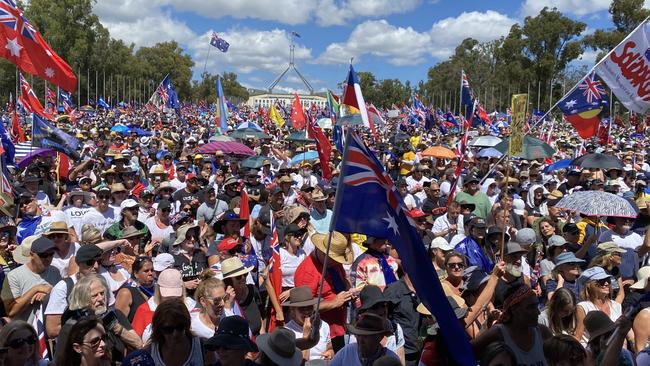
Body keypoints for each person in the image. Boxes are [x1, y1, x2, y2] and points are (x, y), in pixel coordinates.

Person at [295, 231, 355, 352]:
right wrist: (334, 302)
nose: (338, 262)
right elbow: (303, 308)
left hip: (338, 329)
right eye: (335, 258)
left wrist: (349, 290)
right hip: (320, 336)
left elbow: (342, 280)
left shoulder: (332, 263)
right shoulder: (307, 272)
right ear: (323, 252)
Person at [472, 284, 552, 365]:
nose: (538, 312)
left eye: (536, 306)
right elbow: (467, 353)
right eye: (530, 307)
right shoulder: (498, 334)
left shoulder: (543, 332)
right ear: (514, 309)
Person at [1, 235, 61, 321]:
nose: (48, 258)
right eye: (43, 255)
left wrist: (48, 295)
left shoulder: (55, 272)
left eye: (51, 254)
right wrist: (35, 289)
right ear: (32, 255)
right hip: (25, 332)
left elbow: (62, 298)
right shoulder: (13, 276)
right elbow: (11, 311)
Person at [574, 266, 623, 346]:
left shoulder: (616, 306)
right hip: (591, 351)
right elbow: (578, 336)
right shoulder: (583, 307)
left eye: (608, 280)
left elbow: (622, 332)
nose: (606, 283)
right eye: (602, 281)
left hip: (613, 350)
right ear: (590, 286)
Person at [283, 285, 333, 361]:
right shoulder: (287, 332)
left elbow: (329, 347)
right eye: (301, 309)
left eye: (309, 307)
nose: (306, 311)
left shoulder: (323, 325)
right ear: (293, 310)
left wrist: (330, 353)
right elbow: (302, 362)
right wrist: (306, 334)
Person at [329, 313, 399, 366]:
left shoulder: (390, 359)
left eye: (366, 337)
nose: (360, 341)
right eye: (358, 336)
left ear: (379, 337)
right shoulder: (347, 352)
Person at [221, 257, 264, 335]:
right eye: (238, 277)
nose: (243, 278)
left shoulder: (253, 290)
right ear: (228, 281)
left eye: (245, 274)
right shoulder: (224, 300)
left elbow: (261, 318)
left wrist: (262, 340)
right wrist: (228, 303)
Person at [115, 256, 155, 323]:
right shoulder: (126, 293)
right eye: (146, 271)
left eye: (152, 270)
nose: (150, 273)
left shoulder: (157, 289)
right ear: (136, 274)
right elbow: (120, 323)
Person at [190, 271, 228, 339]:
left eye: (225, 298)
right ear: (203, 301)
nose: (222, 303)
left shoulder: (230, 317)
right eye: (216, 300)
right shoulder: (193, 327)